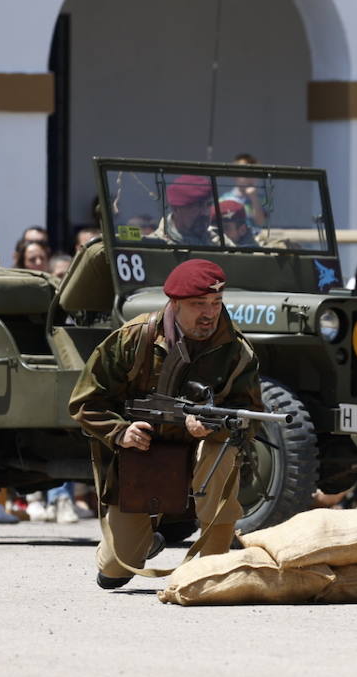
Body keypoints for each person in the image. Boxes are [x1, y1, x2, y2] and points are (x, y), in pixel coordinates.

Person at [69, 259, 263, 589]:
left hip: (199, 460)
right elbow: (85, 402)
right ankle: (150, 536)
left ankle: (212, 569)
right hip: (142, 460)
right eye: (198, 303)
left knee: (221, 453)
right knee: (116, 571)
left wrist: (214, 427)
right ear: (174, 303)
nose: (209, 313)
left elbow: (248, 414)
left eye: (216, 303)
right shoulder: (135, 339)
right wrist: (121, 432)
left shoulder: (236, 351)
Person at [150, 175, 221, 246]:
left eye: (209, 205)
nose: (205, 213)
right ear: (176, 209)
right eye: (197, 206)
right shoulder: (155, 245)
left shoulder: (219, 241)